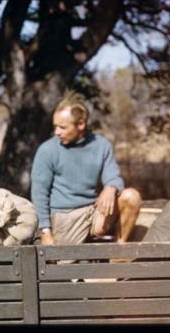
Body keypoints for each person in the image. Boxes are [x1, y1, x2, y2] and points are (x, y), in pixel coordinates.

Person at [31, 90, 141, 247]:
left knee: (131, 196)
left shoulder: (101, 145)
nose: (57, 132)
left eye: (62, 127)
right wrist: (45, 232)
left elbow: (114, 176)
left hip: (93, 212)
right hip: (65, 216)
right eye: (55, 127)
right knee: (64, 268)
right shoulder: (47, 150)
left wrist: (111, 187)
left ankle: (118, 257)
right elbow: (39, 194)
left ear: (81, 124)